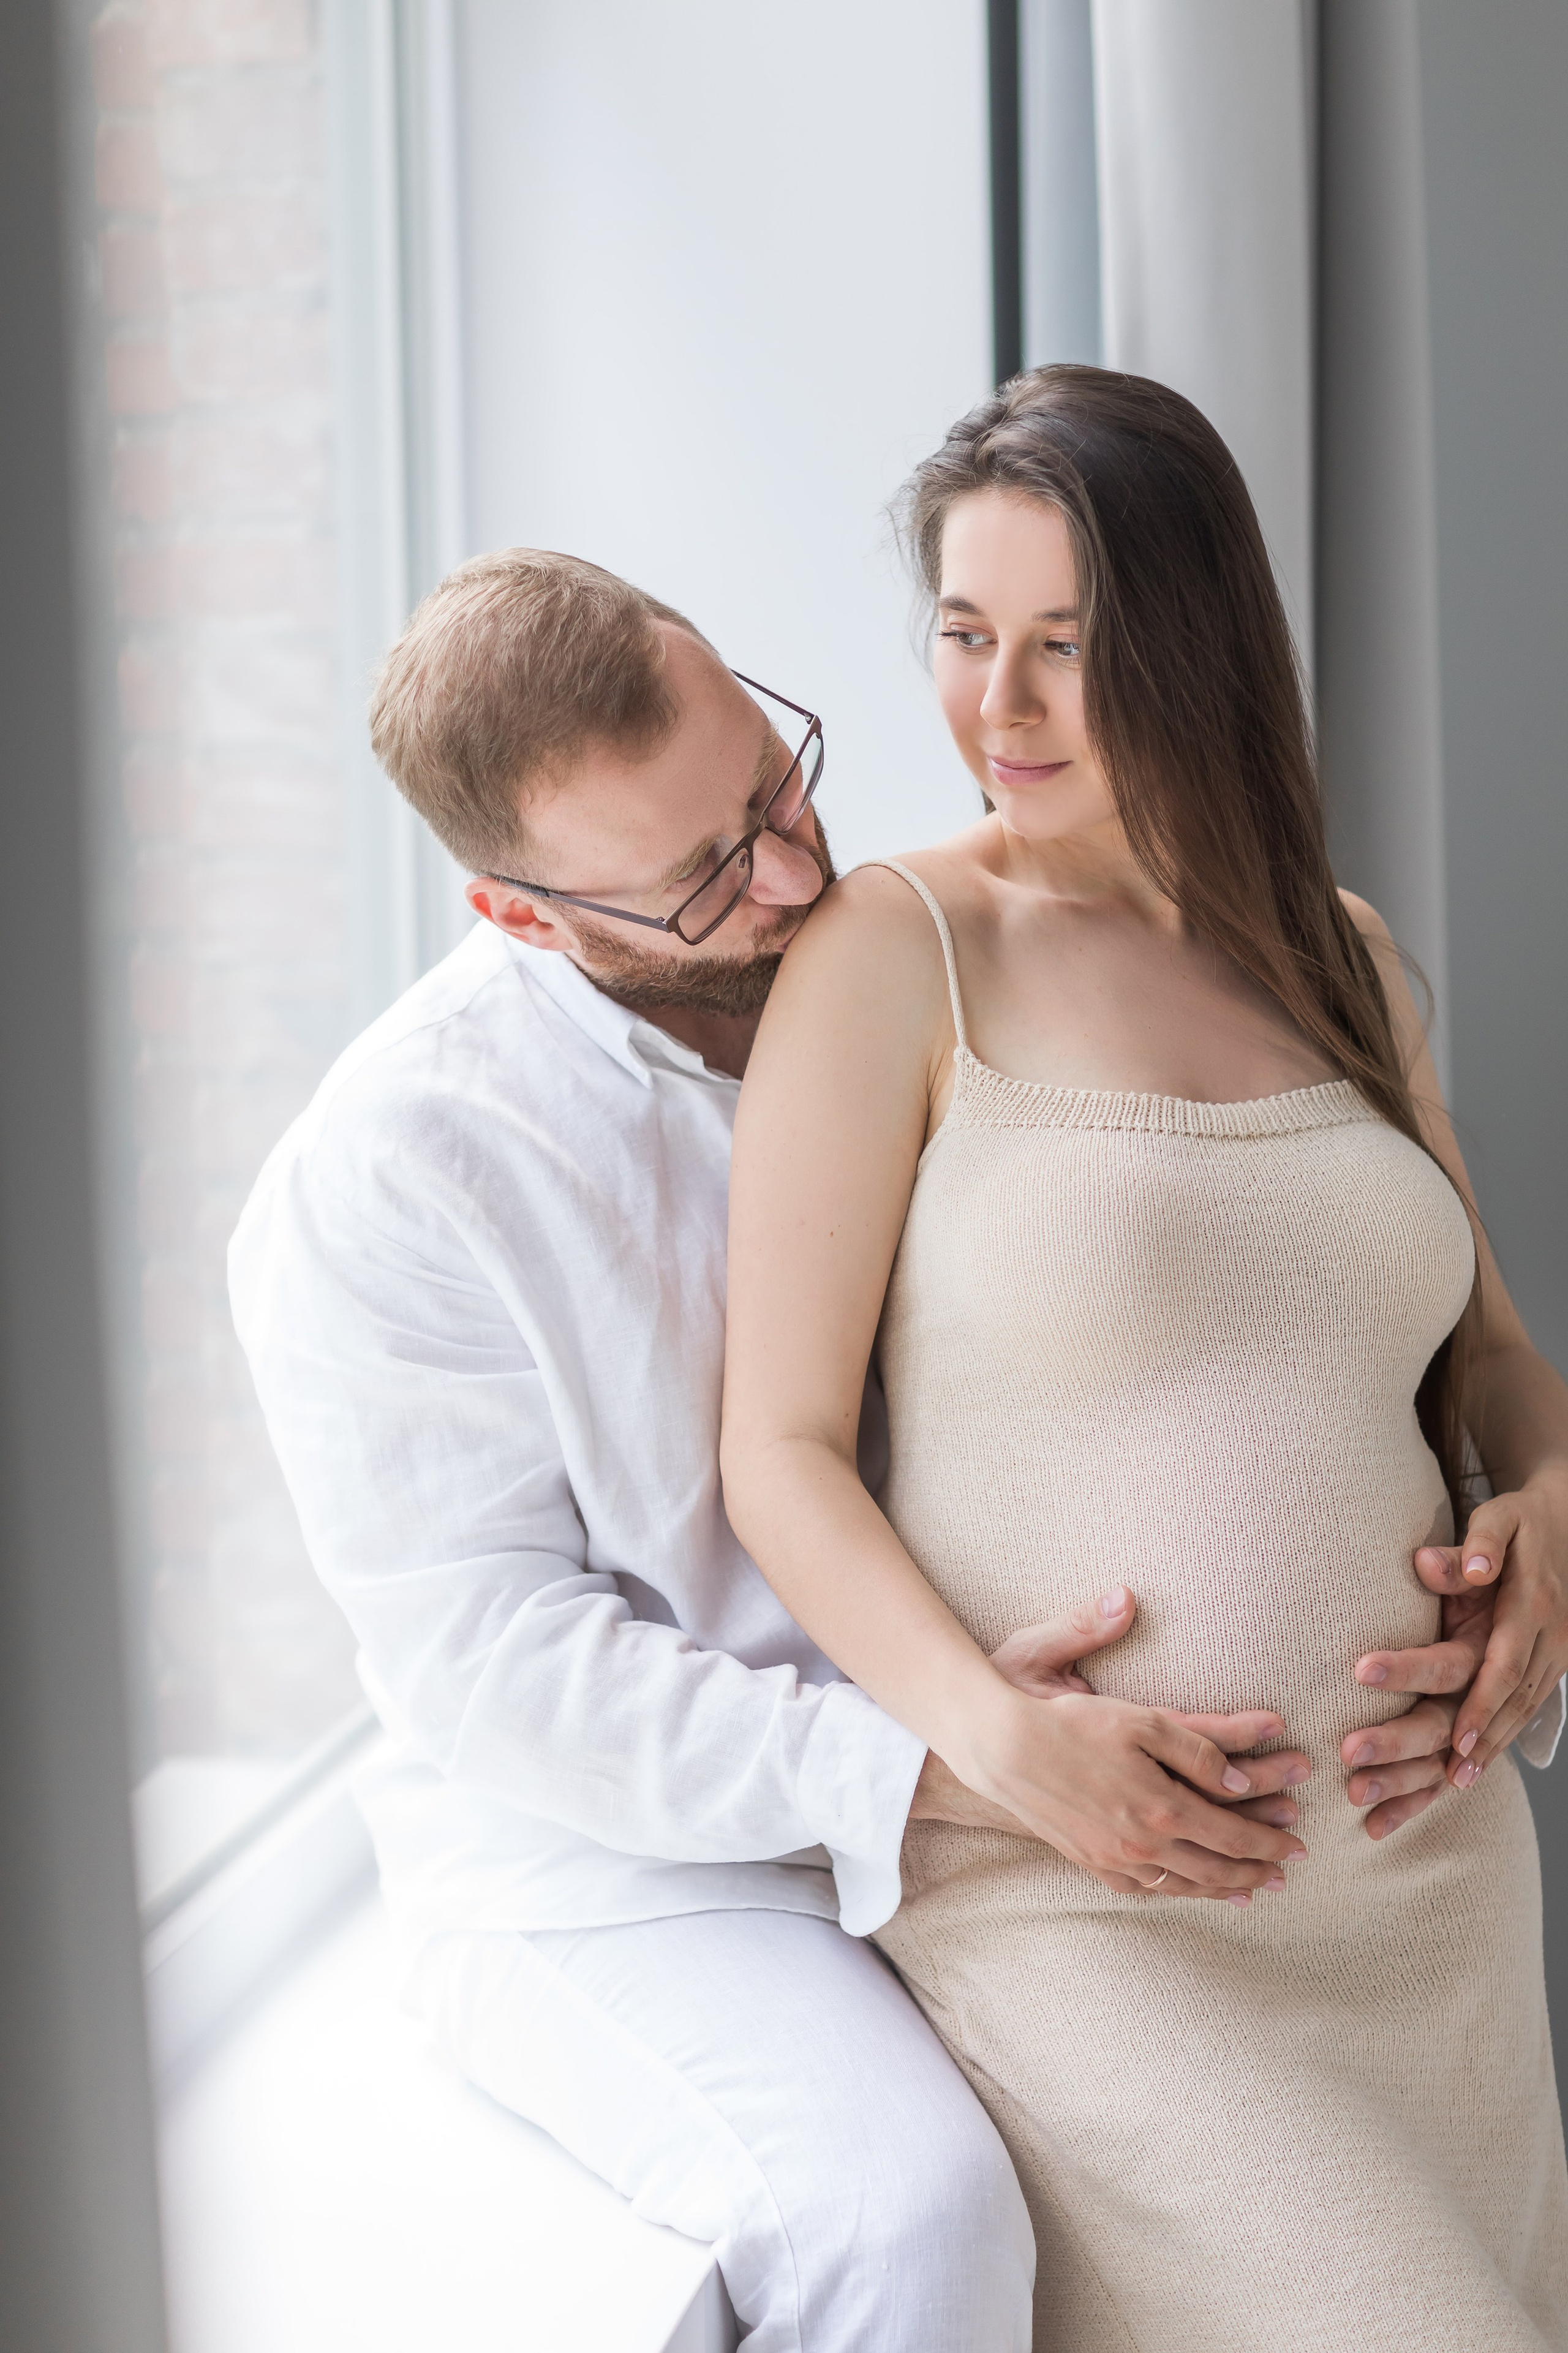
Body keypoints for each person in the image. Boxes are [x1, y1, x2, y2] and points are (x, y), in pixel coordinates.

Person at [231, 546, 1556, 2353]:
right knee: (905, 2219)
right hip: (649, 1865)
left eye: (776, 782)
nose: (792, 871)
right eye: (706, 874)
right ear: (521, 916)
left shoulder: (921, 957)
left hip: (1130, 1827)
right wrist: (945, 1761)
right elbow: (497, 1673)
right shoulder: (393, 1181)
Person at [720, 366, 1568, 2349]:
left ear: (1191, 653)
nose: (993, 711)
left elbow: (1495, 1354)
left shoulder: (1329, 948)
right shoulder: (895, 950)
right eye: (959, 637)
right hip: (1098, 1895)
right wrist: (995, 1741)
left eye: (1061, 652)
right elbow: (776, 1447)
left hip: (1423, 1887)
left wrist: (1548, 1511)